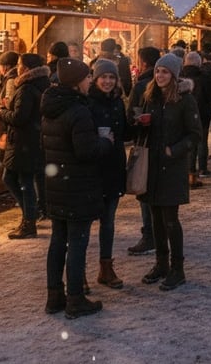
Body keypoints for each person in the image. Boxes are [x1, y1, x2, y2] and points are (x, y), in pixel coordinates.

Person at [41, 57, 112, 319]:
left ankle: (54, 296)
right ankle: (75, 299)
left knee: (58, 241)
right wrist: (105, 142)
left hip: (57, 184)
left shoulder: (51, 107)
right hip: (77, 187)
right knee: (78, 243)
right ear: (75, 83)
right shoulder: (78, 111)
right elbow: (86, 151)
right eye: (86, 77)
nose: (90, 81)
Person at [136, 53, 201, 291]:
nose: (160, 76)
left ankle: (177, 269)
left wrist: (174, 150)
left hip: (172, 167)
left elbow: (195, 134)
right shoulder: (150, 96)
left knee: (171, 220)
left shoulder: (185, 100)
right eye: (157, 71)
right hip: (151, 166)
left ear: (174, 75)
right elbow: (144, 129)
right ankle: (161, 264)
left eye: (165, 72)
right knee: (155, 219)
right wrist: (140, 124)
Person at [0, 53, 51, 240]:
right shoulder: (42, 83)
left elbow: (20, 117)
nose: (17, 67)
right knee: (13, 177)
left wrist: (2, 112)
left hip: (24, 141)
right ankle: (30, 214)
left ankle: (29, 221)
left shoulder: (26, 88)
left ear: (26, 68)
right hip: (31, 140)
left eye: (19, 64)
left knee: (23, 180)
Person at [87, 57, 129, 288]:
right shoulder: (87, 103)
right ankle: (79, 273)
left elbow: (123, 133)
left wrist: (137, 123)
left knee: (108, 221)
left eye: (112, 77)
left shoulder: (117, 103)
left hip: (113, 167)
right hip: (93, 169)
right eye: (103, 77)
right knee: (84, 224)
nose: (108, 81)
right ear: (95, 78)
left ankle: (106, 266)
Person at [126, 46, 161, 256]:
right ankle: (158, 233)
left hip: (146, 144)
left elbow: (131, 117)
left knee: (144, 190)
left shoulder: (140, 87)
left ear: (143, 62)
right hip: (161, 147)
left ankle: (150, 235)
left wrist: (137, 123)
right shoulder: (169, 85)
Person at [181, 50, 211, 184]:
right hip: (202, 113)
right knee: (202, 141)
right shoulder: (204, 77)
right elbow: (209, 95)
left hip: (186, 114)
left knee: (190, 142)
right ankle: (202, 168)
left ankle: (190, 171)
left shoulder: (181, 76)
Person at [0, 50, 20, 168]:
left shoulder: (11, 80)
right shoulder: (9, 77)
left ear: (6, 66)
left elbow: (9, 102)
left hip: (9, 122)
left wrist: (0, 107)